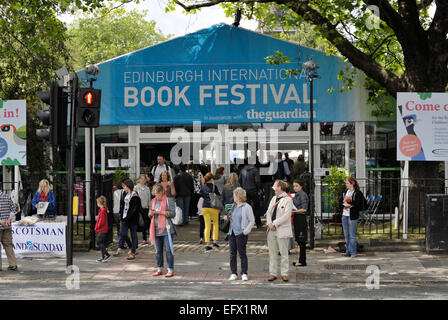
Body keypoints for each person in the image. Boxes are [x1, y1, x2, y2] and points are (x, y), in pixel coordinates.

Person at [224, 188, 255, 281]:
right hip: (232, 233)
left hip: (241, 234)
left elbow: (252, 220)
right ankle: (233, 273)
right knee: (232, 254)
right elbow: (231, 217)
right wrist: (227, 217)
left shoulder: (247, 207)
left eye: (234, 195)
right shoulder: (234, 206)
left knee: (242, 254)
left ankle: (244, 273)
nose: (233, 197)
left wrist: (245, 231)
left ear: (238, 196)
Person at [266, 180, 293, 282]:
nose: (273, 189)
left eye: (274, 187)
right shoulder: (273, 198)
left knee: (283, 253)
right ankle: (272, 273)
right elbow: (268, 212)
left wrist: (275, 223)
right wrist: (269, 223)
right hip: (271, 229)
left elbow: (286, 216)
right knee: (272, 253)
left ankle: (284, 273)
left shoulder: (288, 200)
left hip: (281, 229)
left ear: (280, 188)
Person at [150, 184, 177, 278]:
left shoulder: (169, 200)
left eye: (157, 193)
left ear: (162, 192)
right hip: (156, 228)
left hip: (167, 229)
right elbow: (150, 214)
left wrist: (161, 212)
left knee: (168, 250)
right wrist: (151, 213)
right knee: (158, 251)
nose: (156, 195)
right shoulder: (153, 201)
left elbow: (173, 214)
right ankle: (159, 268)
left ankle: (170, 269)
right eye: (154, 194)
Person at [341, 177, 364, 258]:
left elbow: (358, 204)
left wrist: (350, 203)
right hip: (344, 215)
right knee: (346, 235)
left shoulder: (357, 193)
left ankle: (353, 252)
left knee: (352, 235)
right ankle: (348, 251)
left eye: (347, 183)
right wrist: (343, 203)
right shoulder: (345, 192)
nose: (346, 185)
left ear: (352, 183)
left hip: (353, 216)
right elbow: (341, 201)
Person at [120, 179, 142, 260]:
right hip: (125, 218)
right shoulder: (124, 194)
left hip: (132, 219)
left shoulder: (134, 195)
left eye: (124, 186)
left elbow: (134, 209)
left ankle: (133, 252)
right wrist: (122, 216)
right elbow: (123, 205)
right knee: (123, 233)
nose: (123, 188)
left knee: (133, 235)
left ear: (128, 186)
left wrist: (127, 217)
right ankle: (131, 247)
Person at [200, 172, 221, 251]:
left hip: (205, 207)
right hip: (213, 207)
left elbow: (201, 195)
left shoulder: (203, 187)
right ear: (211, 179)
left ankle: (207, 244)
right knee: (215, 224)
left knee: (207, 225)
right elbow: (219, 196)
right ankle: (215, 241)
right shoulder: (214, 187)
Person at [239, 160, 263, 228]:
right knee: (256, 207)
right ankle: (258, 223)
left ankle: (246, 224)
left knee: (246, 208)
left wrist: (243, 187)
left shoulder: (242, 170)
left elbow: (240, 180)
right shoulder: (255, 170)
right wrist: (258, 188)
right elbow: (258, 181)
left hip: (245, 190)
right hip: (253, 190)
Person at [291, 180, 309, 267]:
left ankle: (302, 261)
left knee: (302, 241)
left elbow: (305, 209)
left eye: (297, 186)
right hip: (297, 218)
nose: (295, 187)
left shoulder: (303, 195)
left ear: (301, 186)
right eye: (294, 186)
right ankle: (300, 260)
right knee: (299, 240)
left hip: (301, 218)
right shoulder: (297, 194)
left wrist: (293, 211)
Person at [0, 189, 17, 271]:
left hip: (1, 225)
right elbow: (13, 210)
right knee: (8, 245)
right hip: (7, 226)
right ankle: (13, 264)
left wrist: (1, 222)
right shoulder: (7, 196)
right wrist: (8, 220)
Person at [135, 174, 151, 245]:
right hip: (138, 208)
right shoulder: (136, 187)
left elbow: (149, 199)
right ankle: (135, 239)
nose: (142, 180)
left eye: (144, 179)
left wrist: (150, 207)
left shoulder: (147, 188)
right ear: (139, 180)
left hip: (145, 207)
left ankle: (145, 238)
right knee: (138, 223)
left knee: (146, 223)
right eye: (141, 179)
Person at [95, 196, 111, 263]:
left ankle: (106, 255)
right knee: (101, 243)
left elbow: (101, 221)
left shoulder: (102, 211)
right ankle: (104, 256)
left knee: (99, 242)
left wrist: (97, 227)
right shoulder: (103, 210)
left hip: (102, 229)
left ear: (99, 203)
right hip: (103, 229)